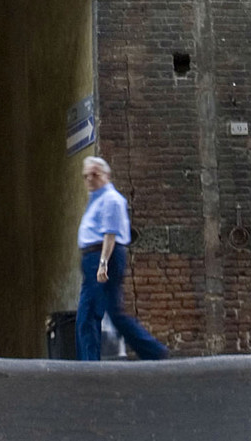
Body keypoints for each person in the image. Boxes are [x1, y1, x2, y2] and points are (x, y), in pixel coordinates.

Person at [74, 155, 168, 362]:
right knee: (109, 313)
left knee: (89, 313)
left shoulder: (111, 200)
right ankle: (152, 351)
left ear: (106, 175)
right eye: (86, 176)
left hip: (103, 256)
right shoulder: (96, 198)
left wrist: (102, 264)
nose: (89, 179)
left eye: (94, 174)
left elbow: (110, 234)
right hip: (93, 258)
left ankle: (89, 362)